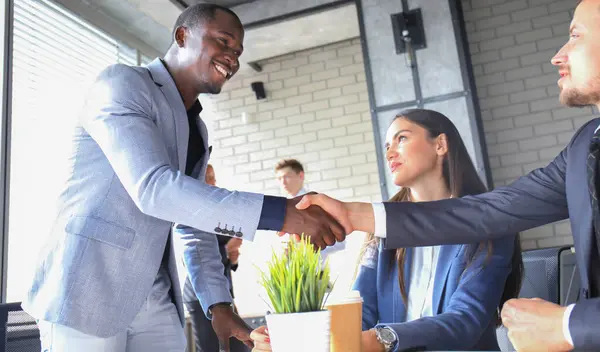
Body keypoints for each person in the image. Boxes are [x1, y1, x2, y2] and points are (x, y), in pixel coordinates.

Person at [22, 4, 345, 352]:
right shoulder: (122, 83)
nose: (232, 58)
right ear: (181, 36)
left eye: (237, 52)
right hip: (88, 285)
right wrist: (282, 213)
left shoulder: (197, 129)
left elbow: (193, 223)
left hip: (157, 295)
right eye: (223, 42)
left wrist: (218, 304)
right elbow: (154, 188)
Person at [296, 1, 600, 350]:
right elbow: (485, 213)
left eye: (575, 35)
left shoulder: (487, 235)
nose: (557, 56)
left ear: (441, 145)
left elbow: (465, 319)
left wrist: (567, 323)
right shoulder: (583, 147)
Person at [250, 110, 523, 351]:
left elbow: (466, 321)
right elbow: (362, 314)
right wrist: (292, 335)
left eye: (401, 138)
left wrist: (385, 339)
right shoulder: (382, 231)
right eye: (387, 144)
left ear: (440, 144)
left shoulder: (488, 223)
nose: (390, 152)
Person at [182, 164, 247, 352]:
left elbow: (227, 258)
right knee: (210, 348)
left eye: (213, 176)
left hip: (224, 292)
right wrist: (226, 249)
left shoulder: (218, 213)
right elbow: (192, 254)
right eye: (207, 177)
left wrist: (232, 258)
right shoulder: (192, 213)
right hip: (200, 295)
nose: (213, 182)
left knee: (239, 345)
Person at [274, 159, 346, 269]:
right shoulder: (281, 210)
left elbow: (340, 242)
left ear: (301, 176)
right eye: (279, 178)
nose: (283, 182)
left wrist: (303, 246)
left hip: (314, 278)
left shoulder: (318, 203)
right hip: (289, 278)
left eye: (287, 176)